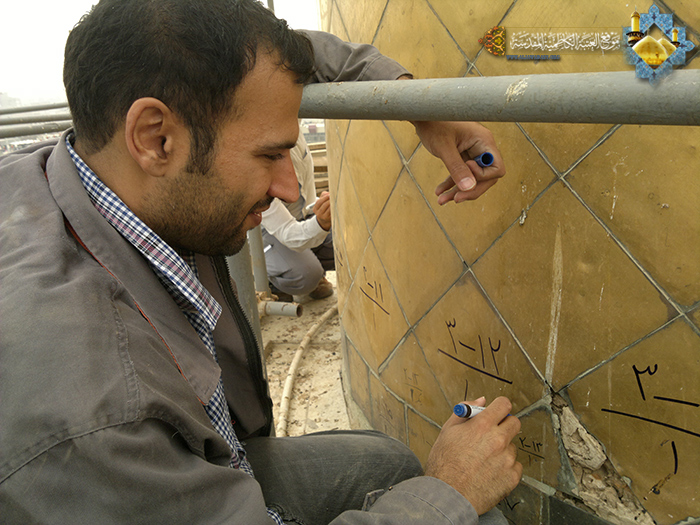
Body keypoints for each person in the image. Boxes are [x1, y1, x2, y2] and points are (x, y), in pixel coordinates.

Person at [0, 1, 521, 523]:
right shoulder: (95, 413)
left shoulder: (85, 172)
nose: (289, 188)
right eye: (270, 155)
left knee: (389, 460)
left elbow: (280, 58)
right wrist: (449, 492)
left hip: (209, 457)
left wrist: (424, 107)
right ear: (155, 138)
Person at [260, 130, 335, 301]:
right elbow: (287, 232)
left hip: (302, 216)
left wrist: (323, 208)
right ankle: (270, 280)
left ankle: (311, 266)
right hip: (267, 232)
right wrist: (321, 223)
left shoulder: (294, 133)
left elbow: (306, 200)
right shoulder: (255, 160)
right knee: (306, 275)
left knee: (348, 242)